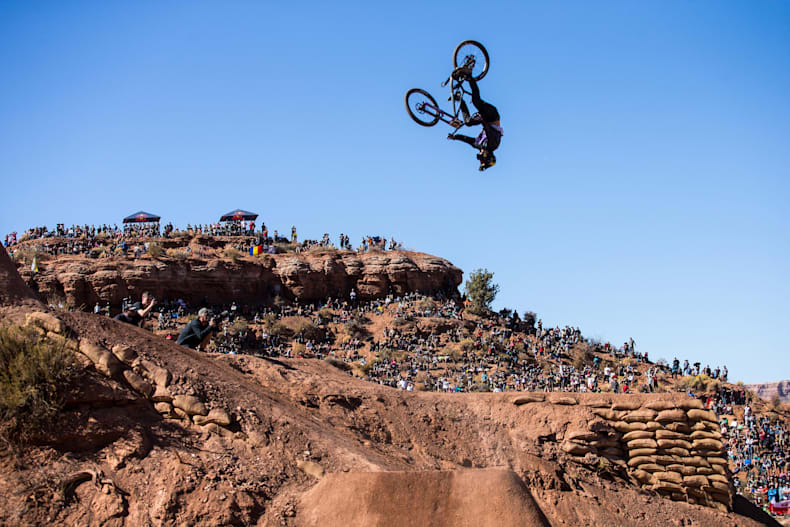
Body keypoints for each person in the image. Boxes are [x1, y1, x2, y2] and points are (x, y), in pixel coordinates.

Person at [446, 70, 503, 171]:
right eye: (482, 157)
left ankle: (460, 99)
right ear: (488, 155)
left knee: (467, 122)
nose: (480, 154)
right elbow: (489, 131)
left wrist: (454, 137)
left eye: (479, 157)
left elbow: (467, 140)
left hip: (485, 120)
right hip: (492, 116)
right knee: (477, 102)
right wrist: (482, 121)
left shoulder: (479, 145)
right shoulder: (493, 145)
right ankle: (469, 76)